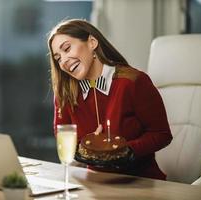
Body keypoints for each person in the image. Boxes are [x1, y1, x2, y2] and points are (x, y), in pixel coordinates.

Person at [47, 19, 172, 180]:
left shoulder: (133, 82)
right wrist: (88, 146)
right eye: (58, 58)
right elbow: (65, 139)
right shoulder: (66, 94)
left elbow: (161, 134)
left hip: (142, 183)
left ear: (92, 42)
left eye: (67, 48)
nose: (63, 61)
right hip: (94, 184)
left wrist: (125, 150)